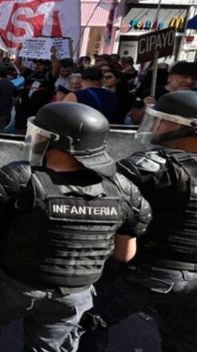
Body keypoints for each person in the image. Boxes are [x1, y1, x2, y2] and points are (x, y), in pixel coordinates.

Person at [0, 102, 151, 352]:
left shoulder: (22, 178)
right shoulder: (124, 190)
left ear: (54, 141)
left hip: (12, 283)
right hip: (74, 294)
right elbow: (125, 254)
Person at [79, 92, 197, 352]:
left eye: (164, 121)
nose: (156, 126)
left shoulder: (152, 167)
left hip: (144, 270)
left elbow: (96, 199)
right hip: (192, 280)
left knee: (87, 321)